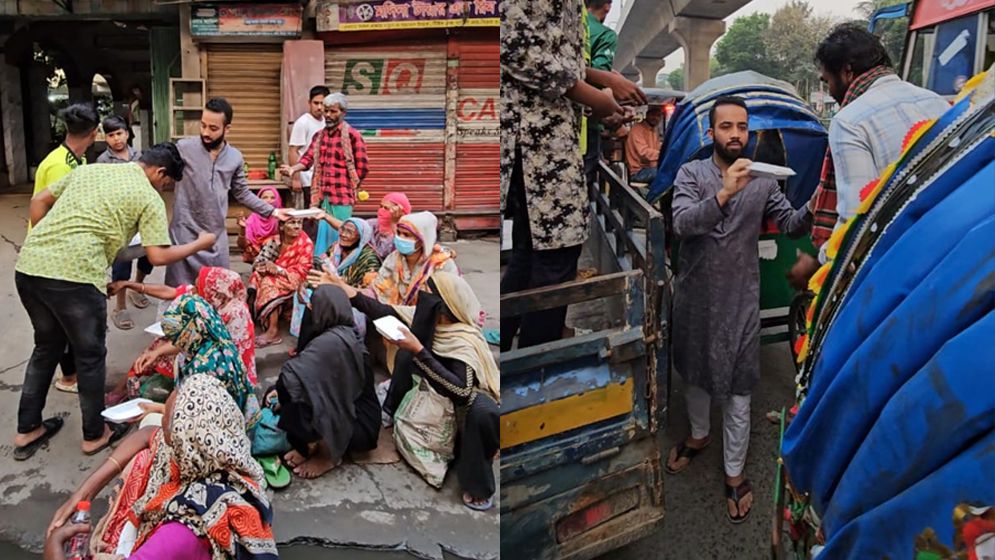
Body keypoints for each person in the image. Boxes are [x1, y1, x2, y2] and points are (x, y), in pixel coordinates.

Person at [13, 143, 216, 461]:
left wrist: (51, 249)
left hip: (30, 268)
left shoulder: (90, 169)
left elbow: (39, 200)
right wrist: (199, 244)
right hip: (75, 277)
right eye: (166, 185)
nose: (164, 190)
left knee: (46, 347)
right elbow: (158, 256)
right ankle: (95, 434)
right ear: (159, 172)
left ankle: (27, 429)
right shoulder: (148, 197)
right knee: (90, 355)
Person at [663, 96, 814, 524]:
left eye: (742, 127)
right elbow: (683, 224)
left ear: (749, 133)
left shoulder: (765, 181)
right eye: (726, 126)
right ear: (711, 134)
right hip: (695, 297)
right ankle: (698, 436)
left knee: (739, 388)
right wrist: (726, 192)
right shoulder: (691, 173)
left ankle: (733, 473)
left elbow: (790, 224)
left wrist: (819, 195)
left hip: (741, 302)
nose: (735, 134)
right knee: (694, 375)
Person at [500, 0, 642, 352]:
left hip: (553, 142)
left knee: (531, 257)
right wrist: (596, 95)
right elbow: (518, 48)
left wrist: (597, 92)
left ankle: (511, 352)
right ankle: (535, 367)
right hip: (536, 147)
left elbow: (555, 58)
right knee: (555, 260)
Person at [314, 271, 500, 510]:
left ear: (445, 305)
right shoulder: (428, 319)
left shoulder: (464, 340)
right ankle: (391, 410)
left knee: (482, 411)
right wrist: (347, 291)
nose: (423, 298)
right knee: (404, 354)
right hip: (430, 391)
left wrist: (419, 351)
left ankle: (477, 483)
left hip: (460, 405)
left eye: (429, 294)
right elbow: (387, 312)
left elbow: (461, 391)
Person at [45, 375, 278, 559]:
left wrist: (54, 549)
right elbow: (148, 434)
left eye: (166, 419)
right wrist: (83, 493)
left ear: (185, 445)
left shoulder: (183, 530)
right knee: (145, 458)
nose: (161, 423)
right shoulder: (226, 460)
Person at [788, 24, 949, 287]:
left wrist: (817, 264)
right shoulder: (935, 101)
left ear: (847, 71)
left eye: (827, 81)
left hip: (902, 267)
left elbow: (856, 222)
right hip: (952, 250)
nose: (829, 91)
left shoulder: (849, 121)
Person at [165, 97, 290, 287]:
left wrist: (273, 211)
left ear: (227, 129)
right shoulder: (183, 149)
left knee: (218, 290)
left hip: (214, 235)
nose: (205, 132)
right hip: (184, 233)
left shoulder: (235, 158)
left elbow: (242, 193)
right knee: (179, 294)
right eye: (203, 125)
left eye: (213, 128)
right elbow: (159, 172)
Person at [105, 266, 258, 405]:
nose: (194, 291)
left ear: (215, 293)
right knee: (158, 347)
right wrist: (128, 284)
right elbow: (169, 292)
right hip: (203, 349)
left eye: (198, 288)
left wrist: (159, 353)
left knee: (164, 355)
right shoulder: (214, 297)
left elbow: (196, 342)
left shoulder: (235, 316)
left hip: (224, 374)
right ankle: (124, 389)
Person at [276, 285, 381, 479]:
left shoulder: (333, 342)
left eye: (313, 305)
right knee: (294, 392)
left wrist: (280, 395)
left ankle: (328, 456)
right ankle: (313, 443)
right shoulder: (341, 332)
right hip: (344, 409)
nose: (310, 309)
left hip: (359, 425)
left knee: (290, 390)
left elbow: (291, 378)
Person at [31, 103, 99, 393]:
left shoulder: (76, 161)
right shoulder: (60, 164)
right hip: (53, 253)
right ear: (95, 133)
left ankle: (69, 376)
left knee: (64, 326)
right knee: (62, 327)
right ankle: (69, 377)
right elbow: (55, 212)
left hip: (64, 250)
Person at [278, 92, 369, 257]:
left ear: (343, 113)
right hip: (321, 197)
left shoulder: (352, 136)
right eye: (326, 111)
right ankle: (320, 272)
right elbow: (307, 159)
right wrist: (293, 169)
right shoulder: (319, 136)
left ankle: (338, 274)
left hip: (341, 197)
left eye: (333, 111)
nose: (327, 115)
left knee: (341, 237)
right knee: (321, 239)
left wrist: (351, 184)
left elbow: (362, 168)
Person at [291, 217, 382, 354]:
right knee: (306, 294)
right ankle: (307, 343)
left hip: (353, 298)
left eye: (350, 232)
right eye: (343, 229)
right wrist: (305, 283)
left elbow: (369, 292)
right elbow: (319, 269)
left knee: (332, 306)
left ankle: (335, 350)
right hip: (329, 289)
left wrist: (340, 286)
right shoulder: (335, 248)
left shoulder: (369, 258)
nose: (343, 234)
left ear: (361, 236)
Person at [97, 115, 153, 330]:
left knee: (148, 255)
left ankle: (137, 288)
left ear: (127, 134)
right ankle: (119, 306)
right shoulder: (103, 161)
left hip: (141, 215)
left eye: (119, 133)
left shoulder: (140, 156)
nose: (116, 139)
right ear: (106, 138)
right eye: (110, 135)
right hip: (118, 220)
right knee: (122, 263)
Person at [249, 217, 314, 347]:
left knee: (269, 282)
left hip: (297, 278)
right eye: (292, 222)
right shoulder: (274, 241)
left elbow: (304, 269)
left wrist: (279, 269)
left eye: (299, 223)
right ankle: (251, 318)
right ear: (282, 226)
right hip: (279, 276)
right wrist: (266, 265)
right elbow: (257, 263)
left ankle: (273, 330)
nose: (297, 226)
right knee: (256, 277)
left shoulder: (306, 243)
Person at [370, 211, 459, 306]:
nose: (400, 238)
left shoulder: (442, 264)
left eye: (406, 235)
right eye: (399, 233)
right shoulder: (394, 258)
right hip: (393, 314)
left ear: (421, 241)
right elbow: (379, 287)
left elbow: (448, 301)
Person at [315, 191, 411, 260]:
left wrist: (394, 223)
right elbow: (351, 228)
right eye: (380, 206)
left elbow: (402, 252)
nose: (381, 211)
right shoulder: (373, 225)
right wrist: (326, 217)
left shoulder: (408, 230)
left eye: (386, 208)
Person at [584, 0, 618, 185]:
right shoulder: (606, 34)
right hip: (587, 127)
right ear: (607, 6)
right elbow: (600, 76)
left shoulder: (571, 24)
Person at [288, 85, 330, 208]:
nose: (319, 107)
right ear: (309, 103)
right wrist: (296, 179)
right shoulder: (303, 122)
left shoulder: (327, 122)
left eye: (322, 103)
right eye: (315, 103)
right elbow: (293, 151)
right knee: (311, 213)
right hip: (307, 178)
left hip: (324, 179)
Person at [237, 186, 284, 263]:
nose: (269, 201)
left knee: (276, 239)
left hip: (278, 254)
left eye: (273, 198)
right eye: (265, 197)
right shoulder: (253, 218)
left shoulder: (281, 217)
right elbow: (242, 245)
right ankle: (260, 264)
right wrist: (242, 229)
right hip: (256, 254)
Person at [626, 106, 662, 183]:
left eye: (658, 116)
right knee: (665, 174)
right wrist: (663, 154)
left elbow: (657, 150)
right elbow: (643, 152)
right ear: (647, 115)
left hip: (650, 169)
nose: (655, 118)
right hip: (638, 172)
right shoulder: (637, 129)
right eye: (653, 115)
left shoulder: (654, 131)